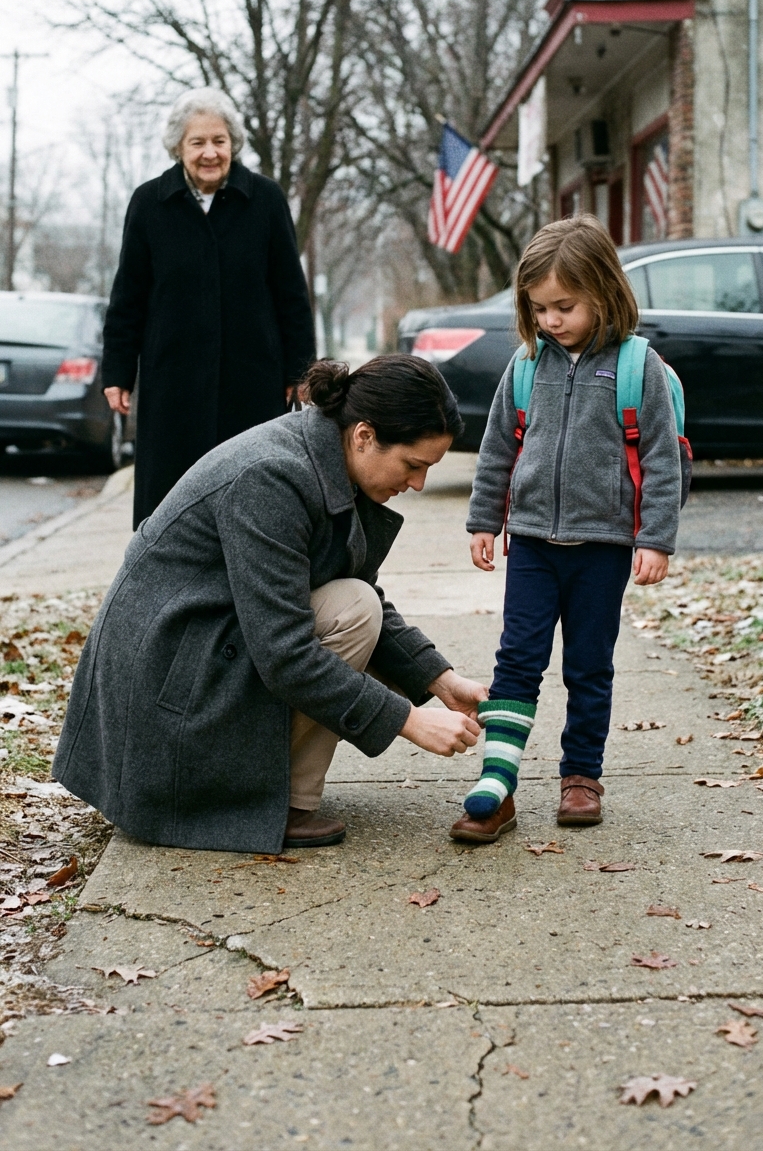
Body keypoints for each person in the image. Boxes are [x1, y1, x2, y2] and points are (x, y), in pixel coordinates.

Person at [53, 355, 484, 853]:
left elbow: (348, 590)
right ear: (365, 435)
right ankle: (268, 804)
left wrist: (440, 680)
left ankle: (275, 794)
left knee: (357, 604)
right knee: (353, 609)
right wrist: (408, 721)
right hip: (164, 698)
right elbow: (285, 654)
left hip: (195, 654)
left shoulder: (329, 458)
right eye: (413, 465)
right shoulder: (272, 477)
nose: (418, 484)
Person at [450, 214, 681, 844]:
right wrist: (484, 519)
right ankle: (497, 784)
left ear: (604, 292)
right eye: (539, 308)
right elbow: (498, 448)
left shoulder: (637, 366)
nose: (551, 320)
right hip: (531, 542)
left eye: (565, 307)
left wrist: (655, 537)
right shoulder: (526, 364)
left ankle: (582, 775)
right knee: (517, 659)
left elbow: (662, 458)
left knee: (588, 665)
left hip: (603, 548)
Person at [101, 87, 316, 528]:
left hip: (252, 380)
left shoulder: (265, 200)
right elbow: (128, 296)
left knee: (253, 493)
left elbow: (291, 294)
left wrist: (300, 372)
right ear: (179, 147)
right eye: (197, 142)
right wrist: (118, 372)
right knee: (169, 502)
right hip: (172, 382)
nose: (210, 153)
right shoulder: (148, 203)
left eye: (219, 140)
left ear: (232, 143)